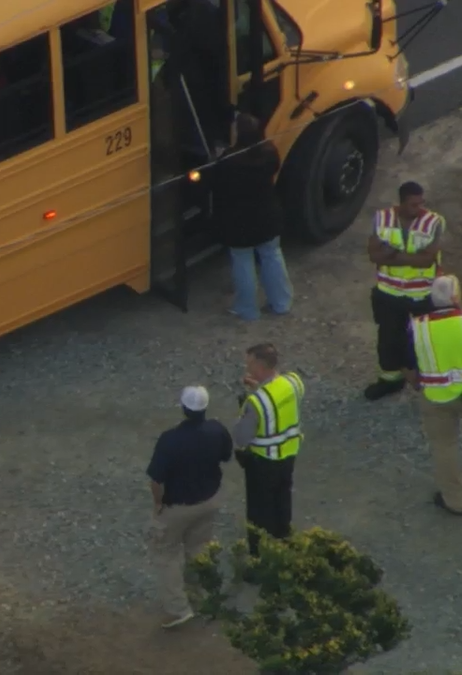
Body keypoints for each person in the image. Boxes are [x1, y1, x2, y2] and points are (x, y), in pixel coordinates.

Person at [146, 385, 233, 629]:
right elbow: (226, 456)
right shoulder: (217, 430)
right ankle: (202, 596)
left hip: (178, 506)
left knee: (165, 554)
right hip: (209, 500)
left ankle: (178, 609)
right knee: (199, 547)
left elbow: (156, 480)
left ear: (184, 408)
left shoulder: (170, 439)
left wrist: (158, 503)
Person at [206, 113, 293, 321]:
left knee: (243, 261)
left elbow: (215, 183)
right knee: (272, 256)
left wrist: (216, 160)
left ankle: (247, 309)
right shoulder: (270, 152)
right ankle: (281, 303)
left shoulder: (229, 161)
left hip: (239, 220)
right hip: (267, 214)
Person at [365, 181, 446, 401]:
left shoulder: (434, 222)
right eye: (413, 205)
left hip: (421, 294)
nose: (419, 209)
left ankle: (430, 379)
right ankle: (391, 380)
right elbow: (373, 255)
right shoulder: (381, 218)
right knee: (388, 340)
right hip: (388, 292)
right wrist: (410, 258)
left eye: (422, 203)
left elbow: (426, 260)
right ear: (401, 203)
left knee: (426, 340)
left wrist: (392, 255)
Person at [231, 343, 304, 557]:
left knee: (259, 512)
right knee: (282, 500)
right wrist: (260, 387)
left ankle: (260, 556)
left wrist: (246, 405)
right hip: (289, 455)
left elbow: (241, 437)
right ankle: (284, 539)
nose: (247, 368)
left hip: (263, 462)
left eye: (250, 364)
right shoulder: (294, 382)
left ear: (260, 366)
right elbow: (276, 399)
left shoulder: (256, 403)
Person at [406, 275, 462, 515]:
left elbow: (408, 363)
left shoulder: (417, 327)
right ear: (455, 297)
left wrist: (416, 383)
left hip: (436, 395)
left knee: (445, 446)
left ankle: (455, 500)